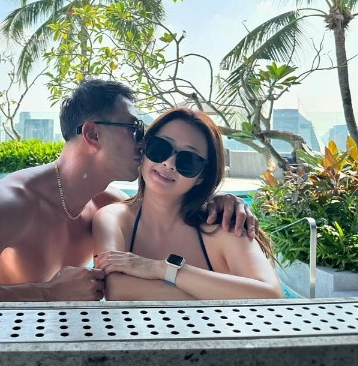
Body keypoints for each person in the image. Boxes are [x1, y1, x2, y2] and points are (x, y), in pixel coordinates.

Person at [0, 79, 258, 302]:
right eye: (135, 129)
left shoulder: (106, 206)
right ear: (92, 133)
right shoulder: (13, 202)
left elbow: (169, 214)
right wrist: (46, 294)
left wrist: (220, 202)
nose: (144, 142)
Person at [93, 107, 283, 300]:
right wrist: (214, 292)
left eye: (188, 160)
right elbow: (116, 290)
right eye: (160, 147)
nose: (169, 163)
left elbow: (271, 296)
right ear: (143, 149)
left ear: (202, 176)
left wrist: (163, 269)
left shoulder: (222, 225)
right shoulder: (114, 219)